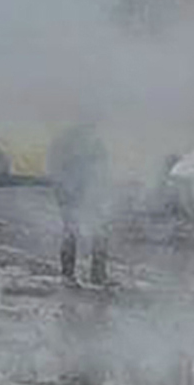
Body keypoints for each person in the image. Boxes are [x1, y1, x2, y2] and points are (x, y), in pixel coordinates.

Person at [49, 119, 111, 286]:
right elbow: (57, 169)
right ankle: (68, 275)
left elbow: (103, 168)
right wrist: (66, 193)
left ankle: (98, 275)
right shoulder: (67, 142)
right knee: (71, 231)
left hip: (90, 192)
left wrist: (101, 190)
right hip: (70, 193)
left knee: (100, 230)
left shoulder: (94, 142)